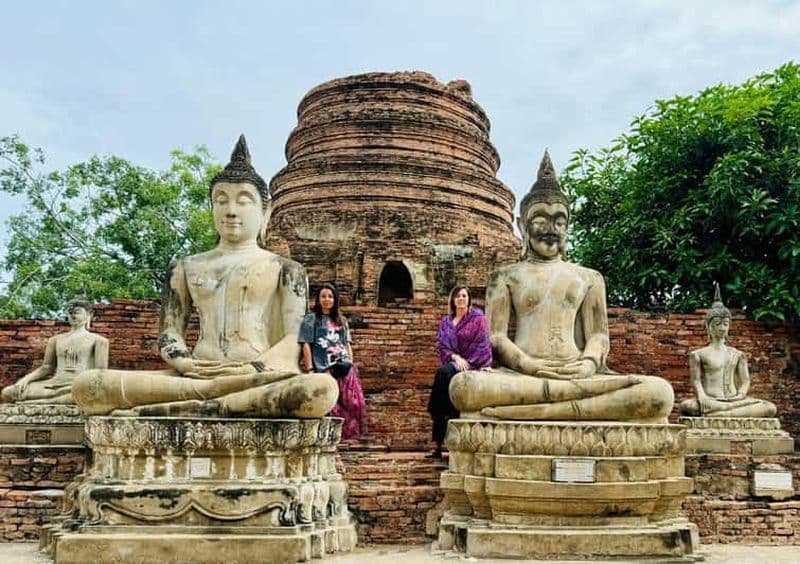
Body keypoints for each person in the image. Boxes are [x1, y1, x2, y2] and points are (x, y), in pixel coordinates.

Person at [71, 135, 338, 418]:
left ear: (265, 212)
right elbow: (170, 332)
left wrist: (253, 368)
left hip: (256, 374)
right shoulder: (186, 266)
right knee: (89, 385)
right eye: (220, 200)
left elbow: (294, 337)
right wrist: (183, 362)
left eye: (243, 201)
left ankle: (194, 406)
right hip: (195, 374)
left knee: (319, 390)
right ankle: (216, 404)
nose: (231, 211)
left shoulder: (287, 269)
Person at [448, 151, 674, 422]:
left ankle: (535, 413)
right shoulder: (505, 277)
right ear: (522, 226)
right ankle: (570, 412)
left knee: (659, 392)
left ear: (568, 227)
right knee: (464, 387)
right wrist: (529, 365)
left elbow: (599, 336)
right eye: (541, 219)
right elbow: (496, 337)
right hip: (524, 376)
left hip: (580, 375)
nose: (551, 228)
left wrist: (589, 364)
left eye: (559, 220)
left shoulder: (589, 278)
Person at [679, 285, 776, 417]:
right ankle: (730, 413)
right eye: (718, 323)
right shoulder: (698, 354)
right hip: (710, 400)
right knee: (688, 406)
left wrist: (740, 396)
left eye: (725, 324)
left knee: (769, 408)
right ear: (708, 326)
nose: (722, 328)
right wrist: (702, 396)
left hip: (735, 400)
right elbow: (696, 381)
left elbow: (745, 381)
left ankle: (722, 414)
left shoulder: (737, 354)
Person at [2, 296, 108, 404]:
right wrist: (26, 379)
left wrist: (84, 385)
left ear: (89, 315)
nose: (73, 315)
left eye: (77, 312)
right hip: (53, 385)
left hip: (80, 385)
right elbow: (47, 368)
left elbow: (100, 373)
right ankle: (54, 399)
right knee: (9, 392)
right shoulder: (56, 340)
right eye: (70, 312)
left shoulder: (99, 341)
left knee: (87, 393)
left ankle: (45, 401)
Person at [426, 286, 492, 458]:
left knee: (444, 376)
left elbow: (483, 343)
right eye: (457, 296)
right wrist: (455, 357)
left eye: (464, 296)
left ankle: (445, 440)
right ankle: (438, 441)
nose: (461, 298)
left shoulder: (477, 318)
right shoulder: (446, 322)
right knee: (443, 379)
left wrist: (477, 362)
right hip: (454, 363)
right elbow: (441, 346)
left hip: (473, 363)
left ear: (469, 299)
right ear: (453, 300)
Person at [298, 283, 366, 439]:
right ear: (318, 299)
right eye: (323, 296)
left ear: (335, 299)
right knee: (330, 404)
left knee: (354, 404)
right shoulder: (311, 318)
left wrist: (350, 363)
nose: (327, 299)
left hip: (343, 365)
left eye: (330, 296)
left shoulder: (341, 320)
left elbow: (347, 343)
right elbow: (306, 343)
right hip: (323, 366)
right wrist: (310, 369)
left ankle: (344, 438)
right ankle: (330, 440)